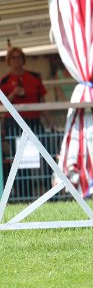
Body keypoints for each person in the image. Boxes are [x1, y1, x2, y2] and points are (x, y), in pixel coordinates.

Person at [0, 46, 54, 198]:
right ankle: (25, 194)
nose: (16, 60)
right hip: (14, 124)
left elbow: (42, 101)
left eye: (19, 57)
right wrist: (13, 93)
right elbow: (2, 107)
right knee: (20, 159)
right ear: (9, 61)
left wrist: (50, 121)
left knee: (45, 154)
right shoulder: (4, 80)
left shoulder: (34, 77)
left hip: (34, 121)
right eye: (13, 57)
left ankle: (51, 190)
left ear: (23, 60)